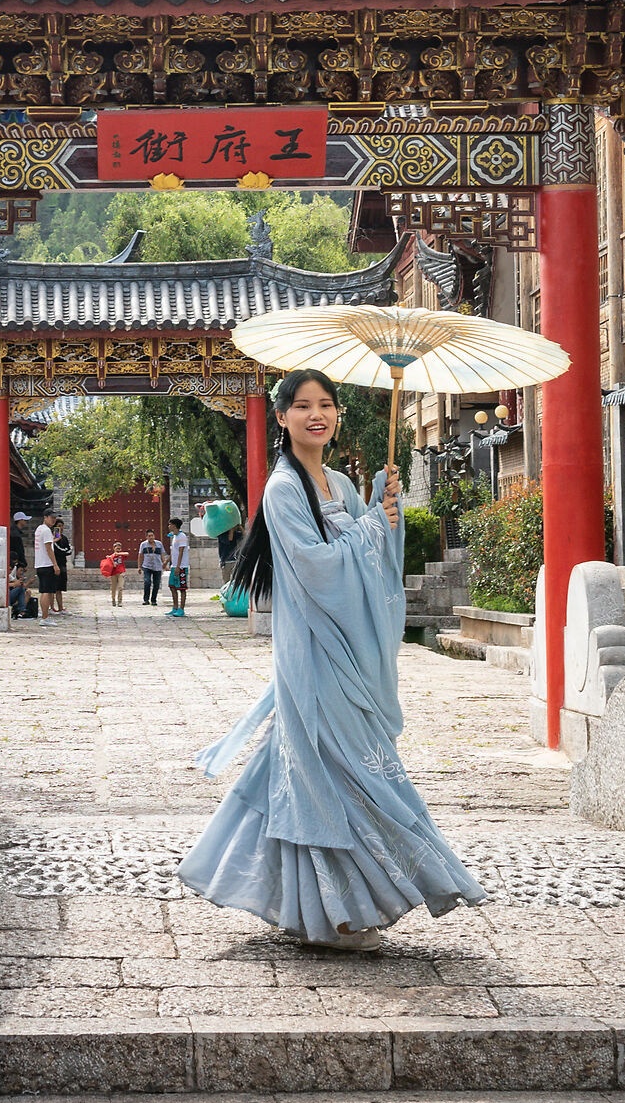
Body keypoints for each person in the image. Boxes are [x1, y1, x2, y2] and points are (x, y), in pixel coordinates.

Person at [177, 366, 485, 954]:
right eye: (302, 405)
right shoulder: (282, 489)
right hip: (313, 651)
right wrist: (373, 525)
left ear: (336, 415)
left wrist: (383, 512)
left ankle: (301, 902)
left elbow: (373, 561)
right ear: (284, 416)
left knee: (304, 768)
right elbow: (318, 569)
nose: (316, 414)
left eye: (326, 404)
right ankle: (339, 914)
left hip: (350, 650)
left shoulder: (340, 485)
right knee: (340, 771)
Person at [34, 510, 58, 619]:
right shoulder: (46, 530)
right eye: (51, 517)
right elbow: (49, 549)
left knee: (44, 591)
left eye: (54, 518)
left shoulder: (39, 529)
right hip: (46, 564)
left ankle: (44, 615)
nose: (53, 520)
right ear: (45, 517)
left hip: (39, 563)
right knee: (47, 592)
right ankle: (45, 617)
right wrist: (55, 564)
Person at [7, 514, 30, 620]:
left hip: (17, 562)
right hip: (17, 562)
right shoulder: (15, 534)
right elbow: (19, 551)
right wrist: (21, 563)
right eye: (24, 520)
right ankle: (21, 610)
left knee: (22, 588)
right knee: (20, 587)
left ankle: (21, 610)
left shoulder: (14, 533)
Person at [167, 518, 191, 618]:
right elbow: (174, 552)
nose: (168, 526)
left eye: (170, 524)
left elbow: (181, 551)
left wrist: (178, 566)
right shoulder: (175, 537)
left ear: (174, 525)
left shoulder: (182, 536)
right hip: (174, 566)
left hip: (181, 566)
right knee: (172, 586)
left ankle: (181, 609)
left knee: (181, 588)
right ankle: (175, 607)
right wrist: (167, 562)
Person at [139, 531, 166, 608]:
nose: (151, 537)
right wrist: (139, 566)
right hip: (147, 566)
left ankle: (153, 600)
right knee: (147, 581)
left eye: (152, 535)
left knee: (156, 584)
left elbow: (162, 554)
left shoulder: (159, 544)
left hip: (157, 566)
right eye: (149, 536)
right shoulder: (143, 544)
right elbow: (140, 555)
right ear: (146, 537)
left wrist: (164, 563)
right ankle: (146, 599)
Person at [51, 517, 70, 613]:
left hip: (63, 564)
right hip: (55, 564)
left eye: (62, 526)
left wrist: (65, 551)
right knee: (53, 588)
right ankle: (51, 607)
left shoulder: (65, 538)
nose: (61, 528)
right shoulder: (53, 538)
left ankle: (60, 607)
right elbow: (57, 550)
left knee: (60, 588)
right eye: (58, 526)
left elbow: (69, 550)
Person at [106, 543, 128, 609]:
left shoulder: (121, 555)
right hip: (113, 573)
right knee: (113, 588)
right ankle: (113, 599)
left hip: (121, 572)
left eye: (119, 548)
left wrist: (118, 554)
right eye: (117, 548)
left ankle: (120, 601)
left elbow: (127, 554)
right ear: (114, 548)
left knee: (120, 587)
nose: (118, 550)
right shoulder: (111, 556)